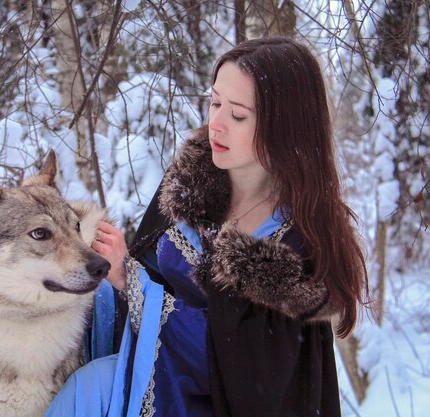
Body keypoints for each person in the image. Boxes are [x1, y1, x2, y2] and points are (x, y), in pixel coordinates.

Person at [45, 36, 369, 417]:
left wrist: (129, 281)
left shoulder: (298, 247)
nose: (215, 124)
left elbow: (235, 364)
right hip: (149, 377)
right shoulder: (193, 183)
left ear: (285, 126)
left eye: (238, 115)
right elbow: (148, 273)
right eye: (214, 103)